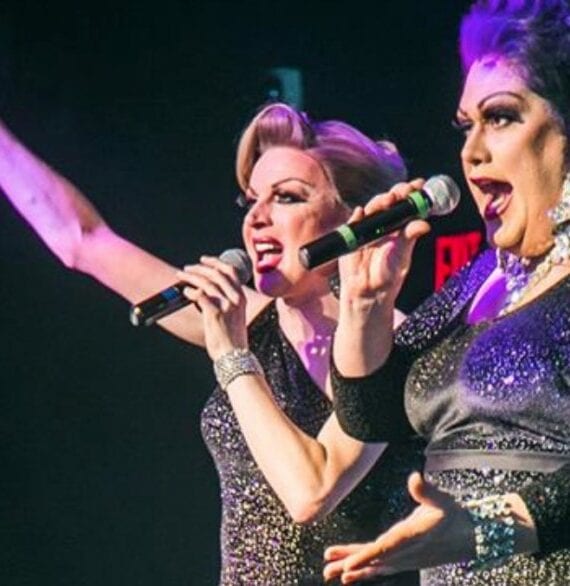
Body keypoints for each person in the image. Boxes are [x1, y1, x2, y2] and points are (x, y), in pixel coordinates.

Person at [0, 102, 423, 584]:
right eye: (251, 200)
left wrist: (232, 357)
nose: (257, 218)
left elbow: (310, 492)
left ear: (352, 220)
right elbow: (82, 240)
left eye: (286, 197)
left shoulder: (398, 346)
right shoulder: (250, 323)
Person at [322, 0, 570, 584]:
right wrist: (365, 304)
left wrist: (489, 527)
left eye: (501, 117)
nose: (471, 151)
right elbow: (370, 416)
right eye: (465, 126)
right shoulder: (481, 279)